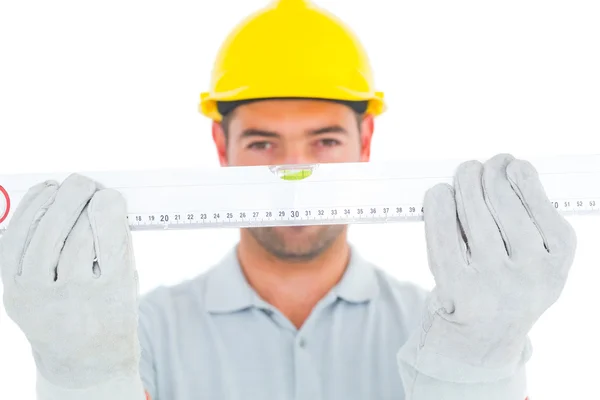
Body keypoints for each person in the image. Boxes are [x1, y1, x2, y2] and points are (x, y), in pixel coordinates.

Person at [0, 0, 577, 399]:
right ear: (220, 144)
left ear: (365, 141)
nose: (295, 172)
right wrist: (81, 377)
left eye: (324, 141)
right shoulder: (137, 332)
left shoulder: (448, 325)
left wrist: (476, 371)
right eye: (263, 142)